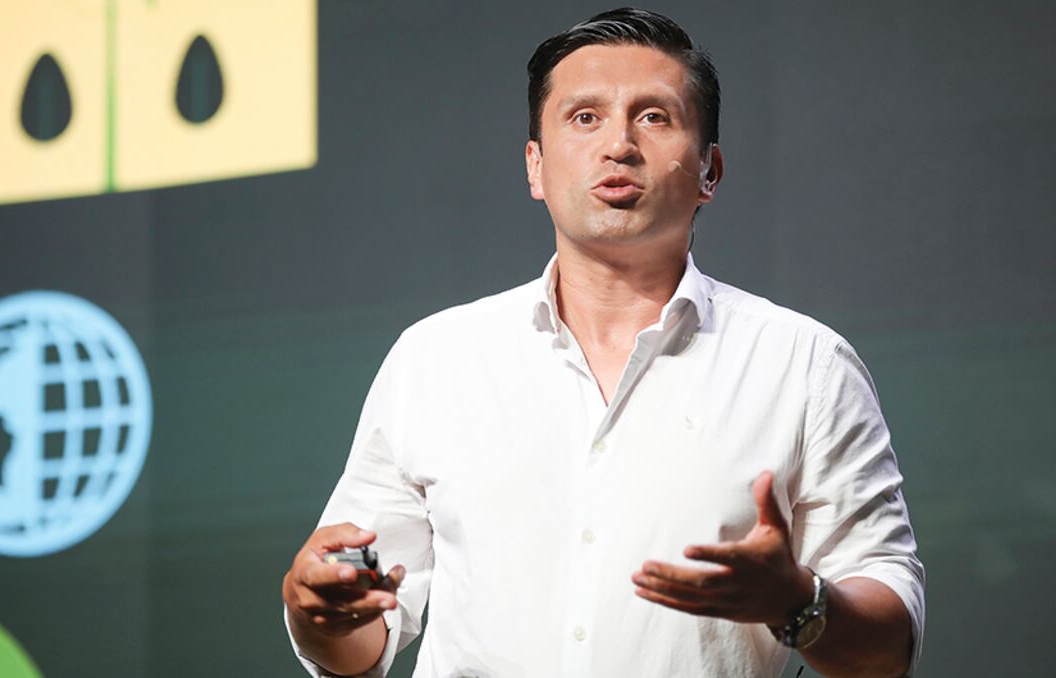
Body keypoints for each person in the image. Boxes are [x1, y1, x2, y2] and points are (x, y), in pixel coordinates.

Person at [282, 7, 925, 677]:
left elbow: (886, 651)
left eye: (654, 117)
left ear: (710, 170)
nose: (618, 144)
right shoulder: (435, 360)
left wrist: (799, 601)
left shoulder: (805, 366)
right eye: (584, 118)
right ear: (535, 166)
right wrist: (318, 612)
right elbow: (358, 637)